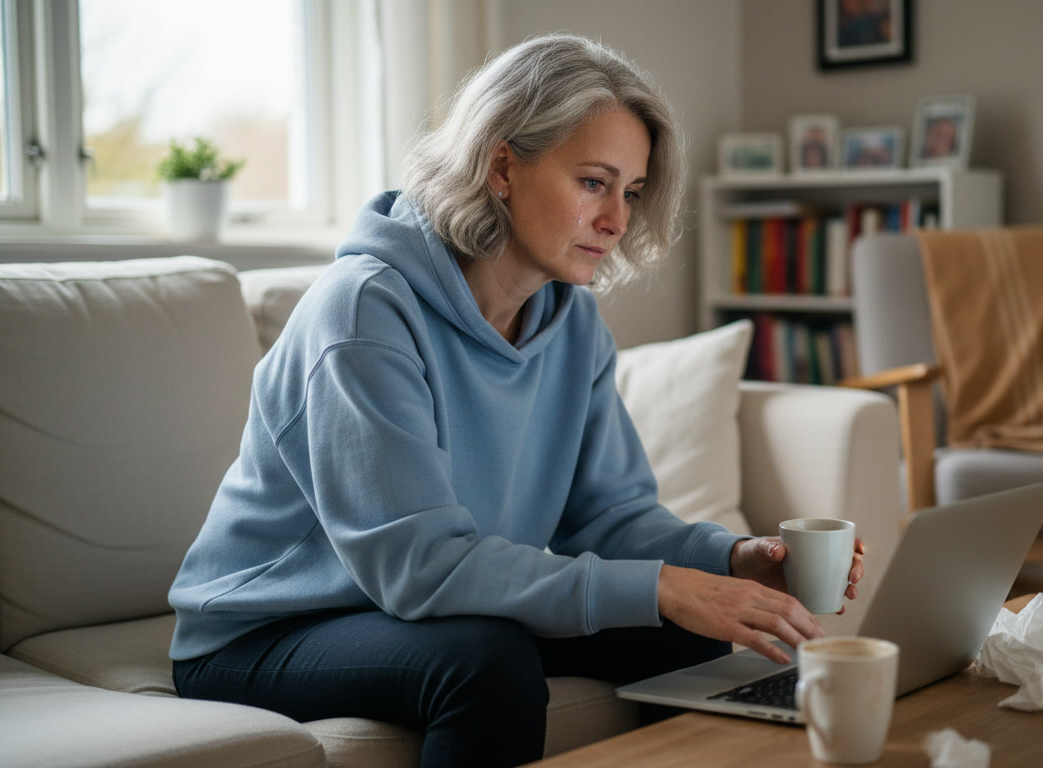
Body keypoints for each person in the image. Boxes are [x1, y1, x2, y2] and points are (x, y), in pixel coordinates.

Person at [167, 33, 865, 767]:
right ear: (502, 165)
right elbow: (420, 566)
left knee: (686, 626)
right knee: (487, 659)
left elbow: (608, 516)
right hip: (262, 634)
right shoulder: (364, 313)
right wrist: (661, 585)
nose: (618, 221)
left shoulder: (573, 323)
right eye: (594, 182)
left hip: (409, 608)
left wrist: (733, 561)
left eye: (630, 191)